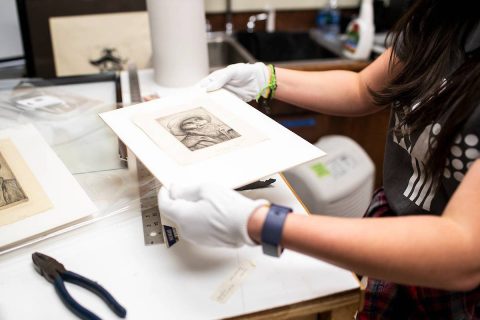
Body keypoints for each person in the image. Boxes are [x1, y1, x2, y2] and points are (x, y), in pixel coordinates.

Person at [159, 1, 480, 318]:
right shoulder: (443, 19)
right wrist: (266, 78)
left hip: (454, 289)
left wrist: (260, 223)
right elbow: (362, 88)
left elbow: (462, 255)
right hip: (393, 232)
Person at [167, 113, 240, 151]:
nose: (197, 123)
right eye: (189, 123)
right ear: (186, 129)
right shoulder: (191, 144)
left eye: (197, 120)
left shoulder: (225, 129)